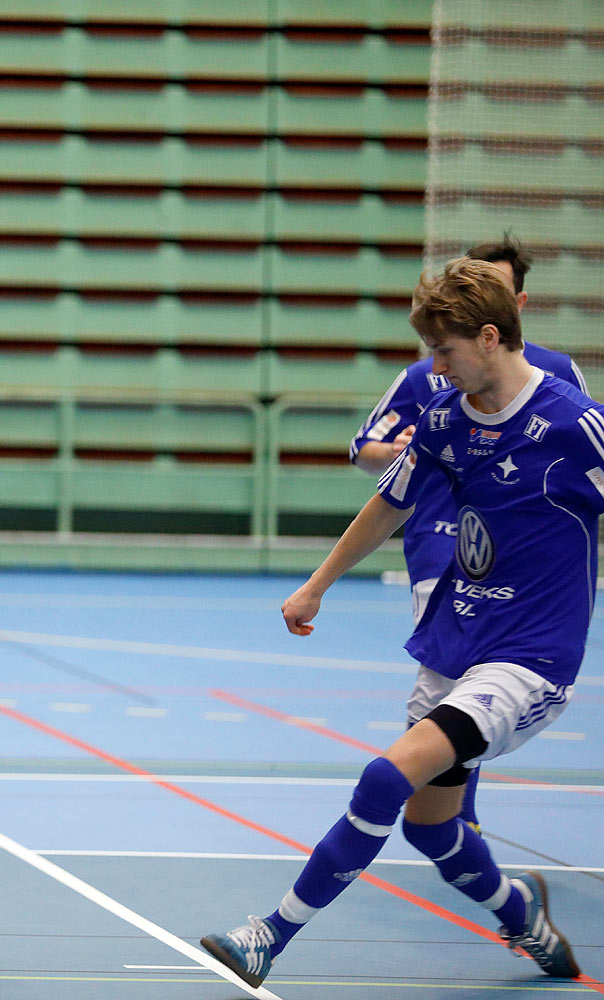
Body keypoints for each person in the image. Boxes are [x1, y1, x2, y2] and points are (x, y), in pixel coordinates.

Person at [203, 257, 588, 988]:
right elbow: (390, 500)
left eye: (443, 350)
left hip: (530, 656)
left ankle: (268, 936)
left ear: (487, 336)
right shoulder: (444, 417)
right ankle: (524, 920)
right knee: (431, 828)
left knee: (386, 778)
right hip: (457, 639)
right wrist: (317, 585)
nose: (433, 367)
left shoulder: (570, 421)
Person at [348, 234, 588, 830]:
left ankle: (446, 813)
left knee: (469, 701)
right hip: (440, 542)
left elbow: (577, 460)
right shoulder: (430, 385)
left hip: (526, 562)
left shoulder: (559, 385)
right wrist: (398, 452)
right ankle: (440, 809)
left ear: (514, 306)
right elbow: (364, 451)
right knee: (449, 687)